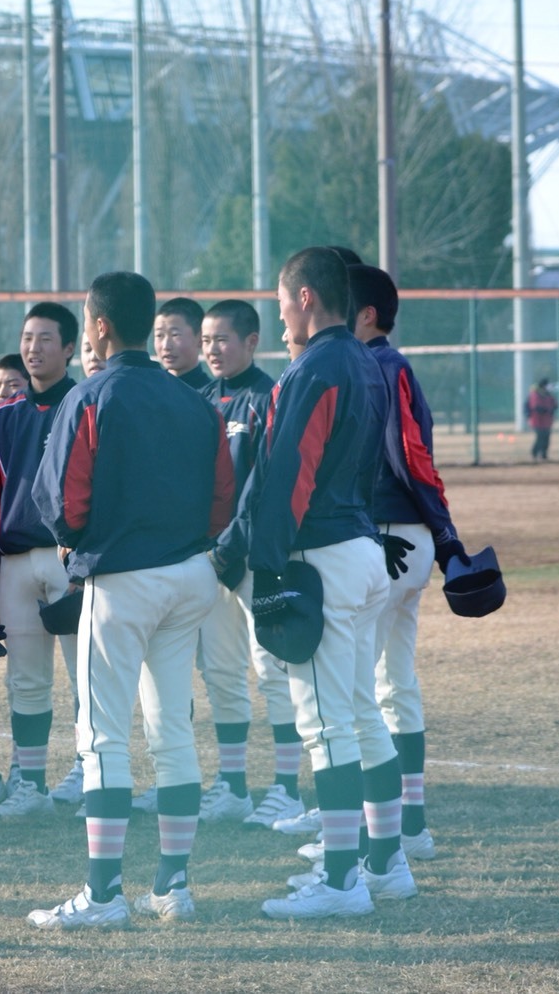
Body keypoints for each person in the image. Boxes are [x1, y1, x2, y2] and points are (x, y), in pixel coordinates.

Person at [26, 271, 233, 930]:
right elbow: (224, 493)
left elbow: (62, 499)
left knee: (102, 737)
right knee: (172, 730)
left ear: (99, 327)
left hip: (122, 580)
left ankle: (104, 895)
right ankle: (172, 886)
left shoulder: (92, 394)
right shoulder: (195, 400)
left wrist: (75, 543)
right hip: (190, 572)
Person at [210, 247, 404, 920]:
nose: (280, 309)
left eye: (282, 298)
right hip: (359, 547)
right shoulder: (364, 362)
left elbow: (289, 472)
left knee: (326, 726)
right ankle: (388, 862)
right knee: (358, 713)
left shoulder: (314, 366)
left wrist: (267, 563)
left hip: (321, 553)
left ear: (306, 300)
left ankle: (344, 881)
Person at [350, 263, 466, 864]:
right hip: (405, 536)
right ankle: (410, 826)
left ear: (366, 314)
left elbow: (411, 457)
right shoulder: (383, 364)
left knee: (355, 692)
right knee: (394, 683)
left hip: (388, 536)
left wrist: (446, 534)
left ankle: (376, 837)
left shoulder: (376, 366)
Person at [191, 299, 305, 830]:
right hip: (208, 562)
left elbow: (263, 489)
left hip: (250, 559)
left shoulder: (269, 396)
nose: (212, 349)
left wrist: (230, 548)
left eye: (222, 339)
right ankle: (233, 786)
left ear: (252, 341)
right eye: (207, 340)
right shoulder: (200, 400)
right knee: (221, 673)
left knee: (273, 673)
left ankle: (288, 788)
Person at [0, 302, 82, 820]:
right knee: (26, 678)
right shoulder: (4, 417)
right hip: (17, 560)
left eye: (46, 338)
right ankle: (29, 783)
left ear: (69, 348)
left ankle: (92, 771)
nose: (34, 348)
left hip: (70, 559)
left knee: (85, 675)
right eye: (28, 337)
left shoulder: (84, 404)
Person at [154, 296, 212, 389]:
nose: (166, 346)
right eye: (159, 335)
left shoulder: (210, 395)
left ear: (200, 338)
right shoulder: (150, 389)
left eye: (175, 335)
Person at [527, 378, 557, 461]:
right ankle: (534, 453)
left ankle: (544, 455)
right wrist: (546, 410)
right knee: (540, 437)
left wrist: (552, 409)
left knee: (546, 438)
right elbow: (536, 407)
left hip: (547, 421)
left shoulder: (548, 395)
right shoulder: (535, 395)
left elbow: (554, 404)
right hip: (537, 421)